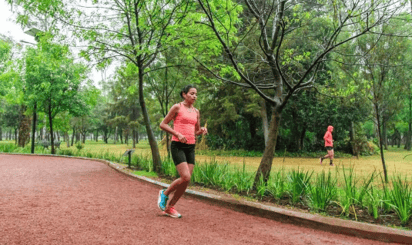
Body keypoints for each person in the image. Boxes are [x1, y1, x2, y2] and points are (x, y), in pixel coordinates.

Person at [157, 85, 208, 218]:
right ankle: (165, 193)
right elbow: (163, 124)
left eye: (196, 94)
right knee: (185, 176)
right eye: (192, 93)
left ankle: (170, 207)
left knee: (186, 181)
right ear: (184, 94)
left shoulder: (196, 112)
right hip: (177, 145)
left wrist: (201, 130)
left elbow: (195, 131)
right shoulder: (177, 107)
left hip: (190, 147)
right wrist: (177, 134)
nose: (194, 96)